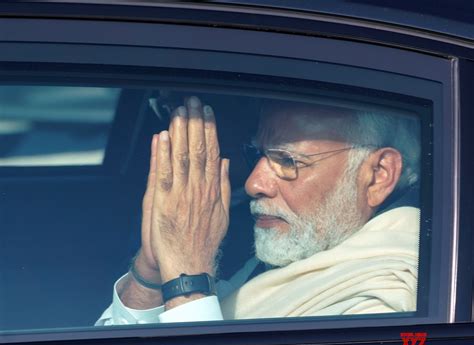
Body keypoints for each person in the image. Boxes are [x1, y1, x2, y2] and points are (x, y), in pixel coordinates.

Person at [96, 95, 420, 325]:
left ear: (378, 175)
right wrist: (151, 274)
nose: (253, 183)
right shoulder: (295, 256)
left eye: (287, 160)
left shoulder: (389, 297)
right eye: (259, 155)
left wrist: (188, 282)